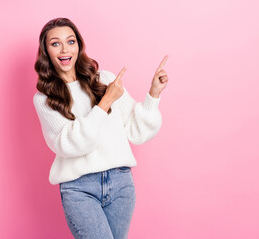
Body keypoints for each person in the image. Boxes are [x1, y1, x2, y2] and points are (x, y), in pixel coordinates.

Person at [32, 17, 169, 239]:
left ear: (79, 45)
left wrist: (153, 94)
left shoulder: (105, 79)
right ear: (46, 51)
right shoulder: (45, 99)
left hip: (121, 183)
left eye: (71, 41)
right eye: (55, 43)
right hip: (79, 188)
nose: (65, 49)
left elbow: (137, 131)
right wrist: (105, 102)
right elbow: (72, 145)